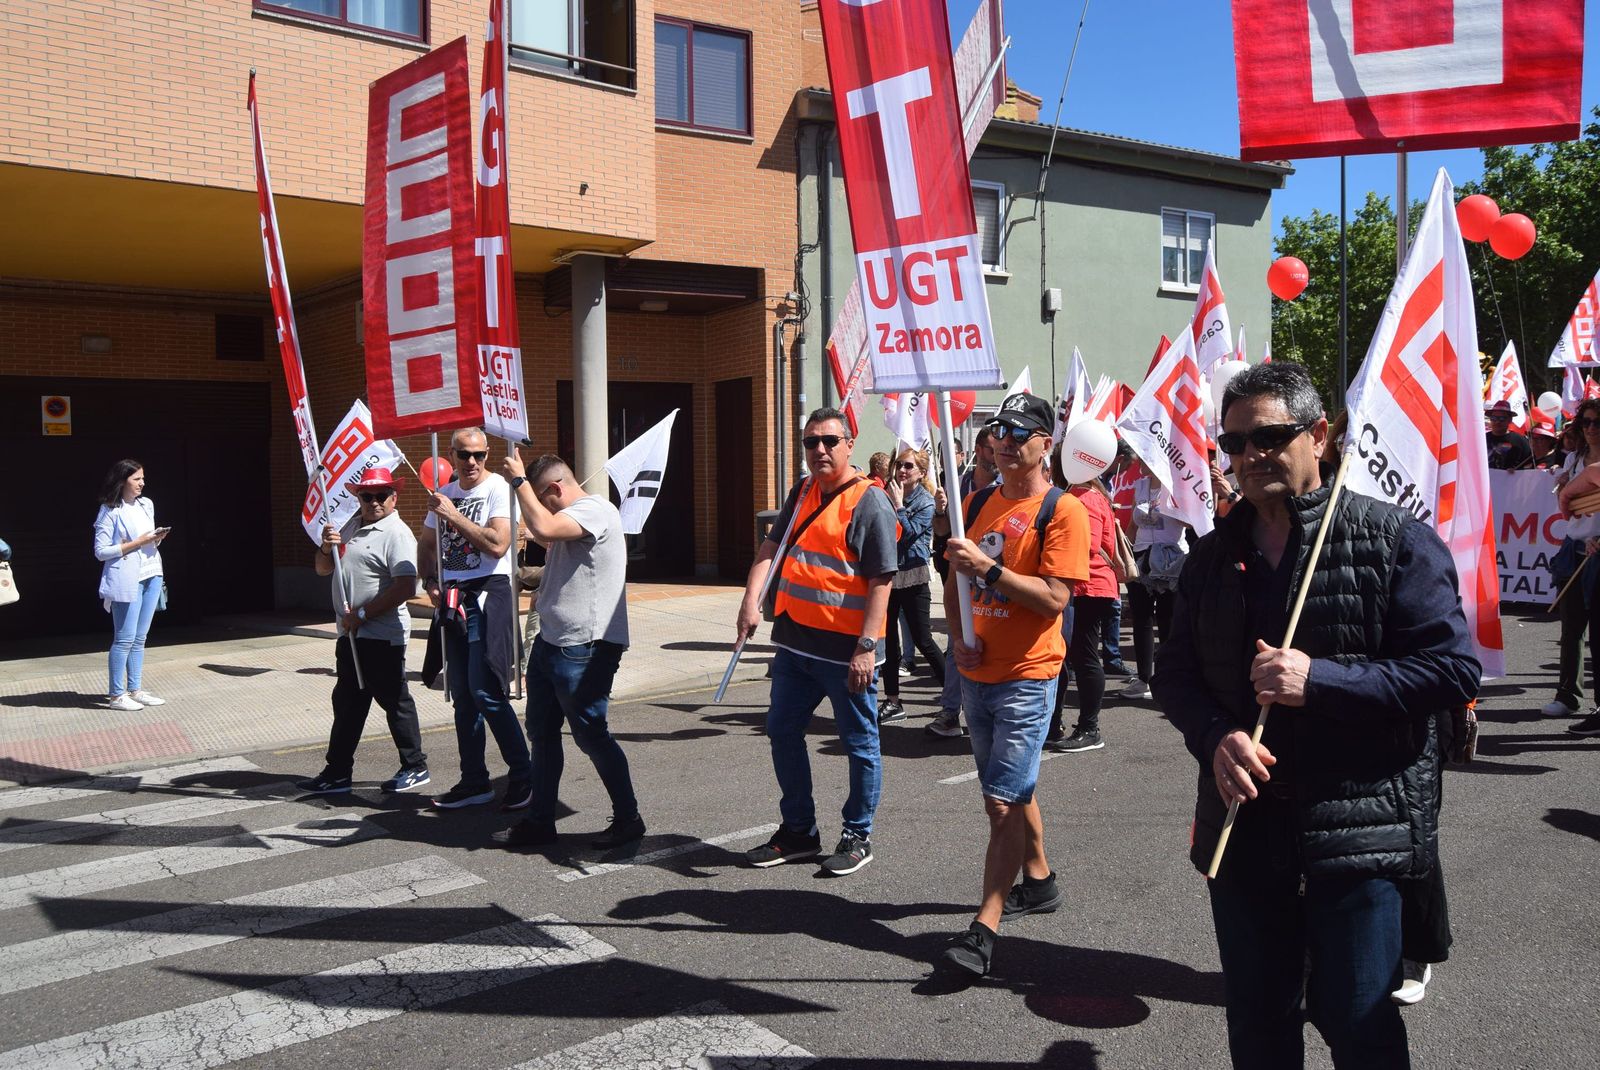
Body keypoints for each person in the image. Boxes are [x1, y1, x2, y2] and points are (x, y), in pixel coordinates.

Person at [1153, 362, 1480, 1069]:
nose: (1250, 457)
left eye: (1270, 436)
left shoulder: (1391, 539)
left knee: (1358, 1025)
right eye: (1234, 443)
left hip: (1357, 836)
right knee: (1260, 1025)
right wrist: (1215, 738)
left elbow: (1452, 669)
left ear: (1319, 434)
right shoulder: (1211, 558)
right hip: (1243, 835)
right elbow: (1173, 676)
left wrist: (1320, 679)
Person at [938, 393, 1090, 976]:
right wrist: (958, 636)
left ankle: (984, 929)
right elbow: (956, 581)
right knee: (1011, 791)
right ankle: (1040, 880)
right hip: (977, 674)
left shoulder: (1065, 510)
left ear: (1044, 444)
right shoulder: (975, 500)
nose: (1002, 440)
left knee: (1000, 802)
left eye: (1017, 432)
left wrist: (991, 570)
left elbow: (1055, 598)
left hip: (1029, 676)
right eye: (997, 429)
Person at [735, 408, 897, 876]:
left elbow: (881, 578)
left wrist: (867, 647)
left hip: (846, 653)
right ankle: (799, 832)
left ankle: (857, 835)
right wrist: (750, 602)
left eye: (829, 440)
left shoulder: (871, 501)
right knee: (783, 733)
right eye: (811, 442)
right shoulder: (802, 491)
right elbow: (772, 547)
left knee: (860, 744)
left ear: (850, 444)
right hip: (794, 647)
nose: (819, 450)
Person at [495, 451, 644, 848]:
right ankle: (541, 821)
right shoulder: (572, 517)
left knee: (592, 735)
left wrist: (517, 481)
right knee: (542, 735)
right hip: (552, 642)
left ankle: (629, 819)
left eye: (546, 497)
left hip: (585, 648)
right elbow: (544, 530)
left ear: (556, 488)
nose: (543, 508)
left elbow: (544, 523)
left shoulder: (596, 508)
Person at [419, 427, 533, 811]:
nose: (471, 462)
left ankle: (523, 774)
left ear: (487, 455)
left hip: (488, 592)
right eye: (463, 455)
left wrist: (454, 516)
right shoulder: (445, 494)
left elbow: (499, 543)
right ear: (450, 455)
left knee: (487, 691)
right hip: (453, 597)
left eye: (478, 455)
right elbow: (426, 544)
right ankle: (474, 780)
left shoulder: (497, 488)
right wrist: (430, 580)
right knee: (462, 696)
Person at [296, 467, 429, 795]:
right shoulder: (350, 526)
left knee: (394, 700)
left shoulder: (396, 533)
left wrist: (364, 614)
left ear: (394, 497)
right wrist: (327, 548)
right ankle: (338, 772)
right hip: (352, 635)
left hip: (381, 635)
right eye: (367, 496)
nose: (374, 502)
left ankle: (415, 766)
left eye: (381, 495)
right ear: (358, 498)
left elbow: (406, 586)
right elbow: (321, 568)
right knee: (348, 703)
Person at [1048, 461, 1117, 753]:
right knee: (1064, 656)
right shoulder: (1085, 495)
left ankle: (1090, 727)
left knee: (1083, 656)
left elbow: (1085, 545)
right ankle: (1053, 722)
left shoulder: (1083, 499)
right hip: (1081, 586)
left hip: (1089, 587)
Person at [93, 459, 169, 712]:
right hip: (127, 578)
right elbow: (101, 552)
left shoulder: (147, 504)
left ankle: (135, 690)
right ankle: (116, 695)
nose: (142, 483)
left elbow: (148, 541)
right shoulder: (110, 510)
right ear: (123, 480)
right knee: (124, 639)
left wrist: (156, 538)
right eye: (137, 479)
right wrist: (138, 542)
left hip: (152, 574)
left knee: (140, 638)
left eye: (143, 478)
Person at [879, 448, 947, 723]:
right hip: (888, 575)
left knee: (923, 639)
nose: (902, 471)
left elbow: (907, 535)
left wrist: (897, 507)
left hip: (914, 575)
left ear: (920, 473)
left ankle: (953, 694)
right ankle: (893, 701)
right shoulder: (887, 492)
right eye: (899, 465)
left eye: (908, 466)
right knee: (889, 643)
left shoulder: (926, 502)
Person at [1545, 398, 1600, 720]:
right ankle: (1568, 696)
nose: (1591, 428)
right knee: (1571, 630)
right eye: (1587, 422)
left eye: (1598, 423)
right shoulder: (1573, 459)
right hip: (1574, 550)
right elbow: (1569, 512)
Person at [1122, 470, 1186, 700]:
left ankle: (1167, 677)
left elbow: (1189, 522)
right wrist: (1124, 552)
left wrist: (1170, 507)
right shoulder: (1140, 486)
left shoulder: (1175, 484)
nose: (1143, 463)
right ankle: (1143, 679)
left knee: (1167, 620)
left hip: (1170, 559)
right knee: (1142, 618)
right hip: (1141, 557)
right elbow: (1132, 524)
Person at [1484, 399, 1532, 470]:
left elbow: (1530, 464)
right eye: (1494, 418)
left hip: (1512, 480)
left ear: (1510, 420)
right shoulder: (1483, 439)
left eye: (1502, 419)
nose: (1497, 422)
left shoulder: (1520, 441)